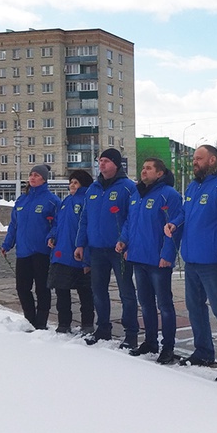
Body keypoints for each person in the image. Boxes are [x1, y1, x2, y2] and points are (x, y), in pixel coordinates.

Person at [164, 145, 217, 384]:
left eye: (198, 158)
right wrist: (175, 224)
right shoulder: (193, 185)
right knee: (194, 308)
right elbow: (186, 214)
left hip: (213, 261)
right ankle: (203, 351)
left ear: (212, 160)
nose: (194, 162)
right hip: (192, 259)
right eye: (194, 158)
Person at [116, 158, 182, 364]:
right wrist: (124, 241)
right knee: (145, 303)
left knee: (164, 304)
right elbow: (129, 222)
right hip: (138, 257)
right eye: (143, 168)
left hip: (157, 260)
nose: (144, 171)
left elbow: (175, 226)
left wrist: (167, 255)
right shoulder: (136, 195)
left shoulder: (169, 195)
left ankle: (168, 347)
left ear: (160, 173)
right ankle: (150, 341)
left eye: (148, 168)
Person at [74, 148, 139, 349]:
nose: (101, 164)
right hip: (96, 250)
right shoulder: (93, 189)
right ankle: (103, 328)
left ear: (116, 164)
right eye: (100, 161)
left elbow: (132, 218)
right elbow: (84, 219)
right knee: (98, 291)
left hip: (118, 250)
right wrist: (80, 244)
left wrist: (125, 240)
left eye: (106, 161)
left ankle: (131, 334)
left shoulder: (128, 188)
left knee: (126, 292)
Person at [0, 164, 60, 330]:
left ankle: (41, 322)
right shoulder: (22, 200)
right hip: (23, 251)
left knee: (42, 288)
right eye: (31, 175)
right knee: (22, 287)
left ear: (44, 179)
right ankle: (30, 318)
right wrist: (7, 244)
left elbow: (58, 224)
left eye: (36, 175)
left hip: (41, 251)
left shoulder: (52, 200)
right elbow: (14, 225)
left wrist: (52, 237)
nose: (32, 177)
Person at [47, 169, 94, 335]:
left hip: (79, 255)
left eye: (75, 182)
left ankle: (87, 324)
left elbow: (89, 229)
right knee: (61, 292)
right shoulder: (65, 201)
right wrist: (52, 237)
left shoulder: (87, 201)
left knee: (85, 293)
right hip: (61, 254)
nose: (71, 185)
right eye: (70, 182)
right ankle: (63, 323)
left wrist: (87, 257)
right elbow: (57, 224)